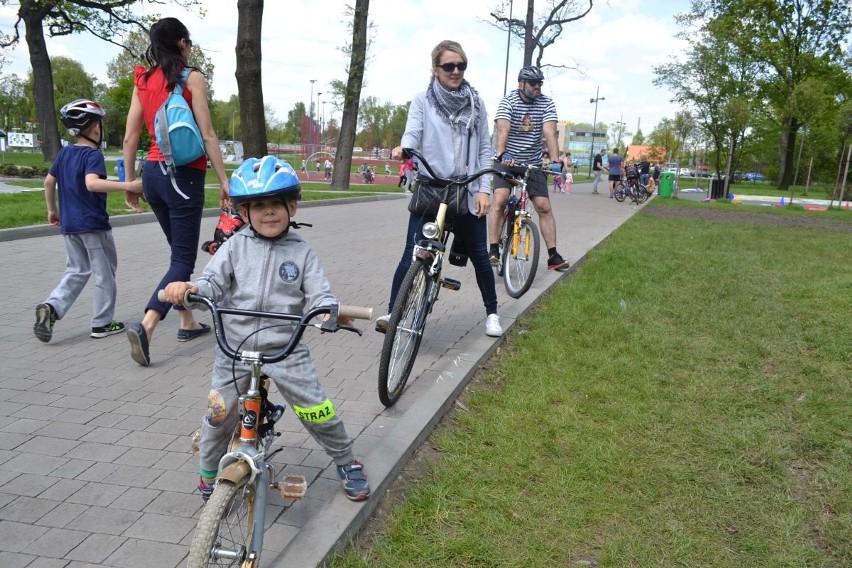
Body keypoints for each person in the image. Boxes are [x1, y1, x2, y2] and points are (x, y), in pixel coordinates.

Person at [161, 156, 370, 502]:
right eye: (258, 206)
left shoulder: (302, 253)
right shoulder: (234, 247)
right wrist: (192, 291)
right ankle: (209, 473)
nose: (268, 213)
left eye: (277, 204)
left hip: (284, 348)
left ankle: (347, 461)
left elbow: (319, 293)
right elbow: (211, 282)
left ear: (293, 206)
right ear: (244, 213)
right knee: (218, 415)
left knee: (317, 410)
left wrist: (326, 312)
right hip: (235, 347)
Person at [375, 39, 503, 338]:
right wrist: (404, 148)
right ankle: (394, 312)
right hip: (432, 188)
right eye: (449, 66)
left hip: (468, 189)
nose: (455, 71)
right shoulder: (423, 101)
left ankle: (492, 313)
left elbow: (485, 148)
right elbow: (413, 132)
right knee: (412, 252)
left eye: (461, 65)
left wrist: (484, 188)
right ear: (436, 69)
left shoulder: (476, 103)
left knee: (480, 257)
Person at [121, 17, 230, 367]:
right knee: (183, 259)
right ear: (182, 43)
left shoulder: (144, 80)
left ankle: (186, 321)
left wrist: (130, 182)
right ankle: (148, 324)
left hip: (152, 174)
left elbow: (130, 137)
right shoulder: (191, 78)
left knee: (176, 252)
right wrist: (224, 180)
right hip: (183, 177)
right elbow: (209, 134)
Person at [34, 99, 143, 343]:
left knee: (76, 270)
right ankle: (102, 323)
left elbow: (48, 182)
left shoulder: (65, 154)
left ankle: (51, 307)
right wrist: (129, 185)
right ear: (95, 127)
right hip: (93, 225)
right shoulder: (92, 155)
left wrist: (53, 210)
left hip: (69, 225)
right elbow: (92, 183)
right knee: (105, 273)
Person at [488, 66, 570, 271]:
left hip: (532, 163)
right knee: (500, 200)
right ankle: (493, 249)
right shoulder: (509, 101)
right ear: (521, 84)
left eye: (540, 83)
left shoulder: (546, 102)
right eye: (533, 83)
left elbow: (550, 132)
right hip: (506, 160)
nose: (537, 87)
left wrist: (554, 160)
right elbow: (502, 129)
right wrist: (502, 154)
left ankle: (553, 256)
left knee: (543, 206)